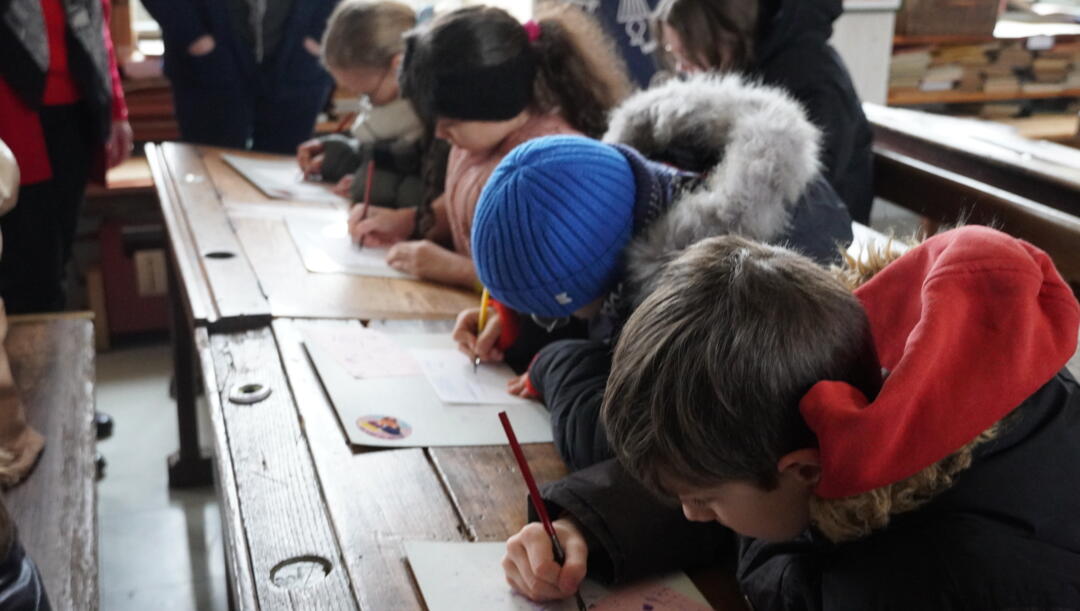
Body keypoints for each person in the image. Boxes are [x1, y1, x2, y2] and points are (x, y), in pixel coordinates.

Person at [502, 226, 1080, 609]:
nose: (691, 514)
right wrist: (592, 527)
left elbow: (796, 585)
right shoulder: (861, 361)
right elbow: (743, 461)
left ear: (807, 471)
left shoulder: (923, 577)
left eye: (705, 500)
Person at [456, 74, 853, 469]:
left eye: (549, 311)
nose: (549, 320)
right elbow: (578, 277)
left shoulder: (724, 300)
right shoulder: (623, 192)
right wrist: (510, 324)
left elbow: (627, 444)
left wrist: (553, 364)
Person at [349, 3, 631, 288]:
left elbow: (549, 288)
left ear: (493, 104)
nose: (439, 133)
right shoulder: (474, 140)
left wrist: (455, 269)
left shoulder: (550, 171)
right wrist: (406, 221)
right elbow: (464, 201)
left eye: (451, 122)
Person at [654, 0, 874, 224]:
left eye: (686, 52)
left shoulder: (813, 75)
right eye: (672, 53)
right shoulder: (750, 62)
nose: (681, 67)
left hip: (827, 229)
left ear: (722, 36)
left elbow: (806, 186)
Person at [0, 0, 133, 313]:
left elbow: (99, 35)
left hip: (75, 118)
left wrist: (117, 109)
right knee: (31, 263)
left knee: (58, 254)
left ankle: (50, 352)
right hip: (14, 122)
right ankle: (34, 354)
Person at [142, 0, 337, 154]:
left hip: (297, 62)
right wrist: (195, 38)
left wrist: (317, 38)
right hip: (209, 63)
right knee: (213, 172)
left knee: (285, 176)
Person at [296, 0, 430, 209]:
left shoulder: (435, 123)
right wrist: (332, 155)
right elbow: (378, 157)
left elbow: (426, 194)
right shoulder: (389, 113)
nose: (364, 102)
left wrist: (366, 184)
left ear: (398, 65)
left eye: (367, 93)